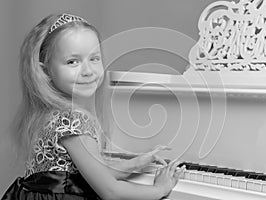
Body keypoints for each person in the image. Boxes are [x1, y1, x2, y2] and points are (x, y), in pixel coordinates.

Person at [2, 13, 185, 200]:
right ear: (45, 69)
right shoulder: (72, 120)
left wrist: (134, 164)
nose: (88, 71)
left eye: (94, 58)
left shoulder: (49, 113)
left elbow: (86, 174)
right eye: (72, 62)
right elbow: (110, 192)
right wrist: (160, 190)